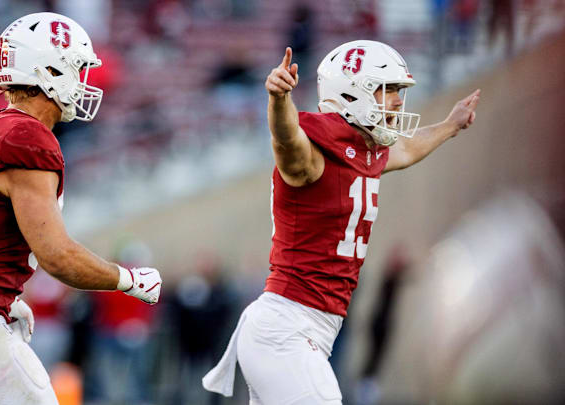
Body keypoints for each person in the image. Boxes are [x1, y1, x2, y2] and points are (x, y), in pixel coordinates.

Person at [0, 12, 162, 405]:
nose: (82, 82)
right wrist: (128, 280)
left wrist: (4, 297)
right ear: (49, 71)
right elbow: (57, 256)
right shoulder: (26, 136)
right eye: (76, 69)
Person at [203, 40, 479, 404]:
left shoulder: (361, 151)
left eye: (399, 91)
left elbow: (408, 149)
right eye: (388, 89)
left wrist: (450, 125)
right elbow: (286, 141)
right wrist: (279, 100)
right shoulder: (315, 154)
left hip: (303, 331)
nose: (398, 101)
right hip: (287, 327)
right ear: (351, 94)